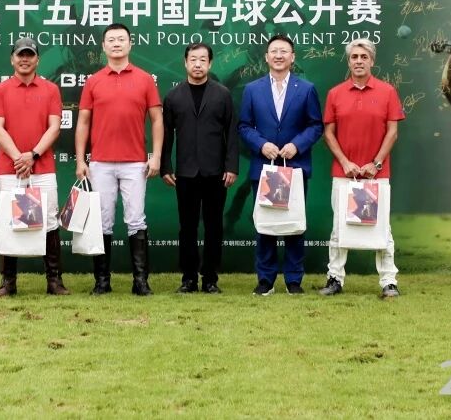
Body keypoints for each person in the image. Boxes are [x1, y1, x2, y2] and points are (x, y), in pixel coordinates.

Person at [74, 23, 164, 295]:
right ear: (103, 46)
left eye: (121, 39)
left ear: (130, 44)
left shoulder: (145, 79)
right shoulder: (94, 81)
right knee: (102, 222)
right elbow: (83, 122)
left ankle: (140, 282)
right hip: (100, 163)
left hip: (135, 162)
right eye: (111, 40)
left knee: (136, 220)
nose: (116, 44)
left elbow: (157, 119)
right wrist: (81, 160)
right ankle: (102, 282)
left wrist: (156, 157)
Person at [319, 38, 404, 299]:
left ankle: (389, 282)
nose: (359, 61)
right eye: (354, 57)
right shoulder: (335, 93)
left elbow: (392, 132)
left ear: (372, 61)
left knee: (383, 229)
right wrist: (345, 162)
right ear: (348, 61)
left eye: (364, 57)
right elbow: (328, 133)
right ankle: (335, 278)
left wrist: (375, 164)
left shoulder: (387, 91)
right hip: (344, 174)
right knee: (339, 228)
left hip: (377, 175)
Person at [238, 34, 323, 296]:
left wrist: (297, 145)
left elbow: (316, 125)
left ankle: (294, 280)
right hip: (264, 168)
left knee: (294, 224)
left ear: (292, 57)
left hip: (294, 168)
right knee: (265, 225)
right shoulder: (252, 89)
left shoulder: (306, 88)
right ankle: (265, 279)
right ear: (266, 57)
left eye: (284, 51)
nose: (278, 55)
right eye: (274, 51)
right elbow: (244, 126)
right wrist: (261, 144)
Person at [0, 36, 66, 296]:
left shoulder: (51, 89)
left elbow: (54, 127)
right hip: (9, 169)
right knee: (9, 221)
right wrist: (19, 158)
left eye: (29, 55)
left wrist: (32, 155)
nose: (24, 59)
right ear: (12, 59)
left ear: (37, 60)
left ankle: (54, 281)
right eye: (20, 55)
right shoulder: (0, 90)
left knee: (50, 221)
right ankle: (8, 282)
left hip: (42, 168)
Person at [161, 42, 239, 294]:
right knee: (187, 228)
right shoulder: (173, 96)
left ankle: (210, 279)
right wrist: (165, 166)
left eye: (202, 60)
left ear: (210, 63)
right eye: (193, 59)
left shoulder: (222, 94)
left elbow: (231, 133)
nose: (197, 64)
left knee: (214, 227)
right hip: (185, 173)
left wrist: (231, 166)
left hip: (216, 172)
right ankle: (188, 278)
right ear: (185, 63)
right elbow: (166, 136)